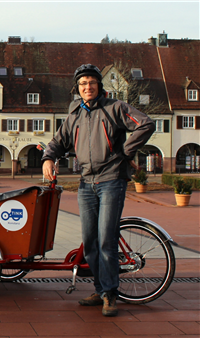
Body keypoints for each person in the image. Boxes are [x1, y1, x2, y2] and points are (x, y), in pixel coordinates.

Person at [41, 64, 154, 317]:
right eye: (83, 84)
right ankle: (101, 289)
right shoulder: (75, 114)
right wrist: (48, 158)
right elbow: (59, 141)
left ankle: (111, 295)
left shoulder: (115, 108)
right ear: (78, 89)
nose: (87, 87)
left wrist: (126, 153)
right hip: (86, 183)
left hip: (111, 179)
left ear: (99, 86)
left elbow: (145, 124)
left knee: (106, 239)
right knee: (90, 241)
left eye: (91, 82)